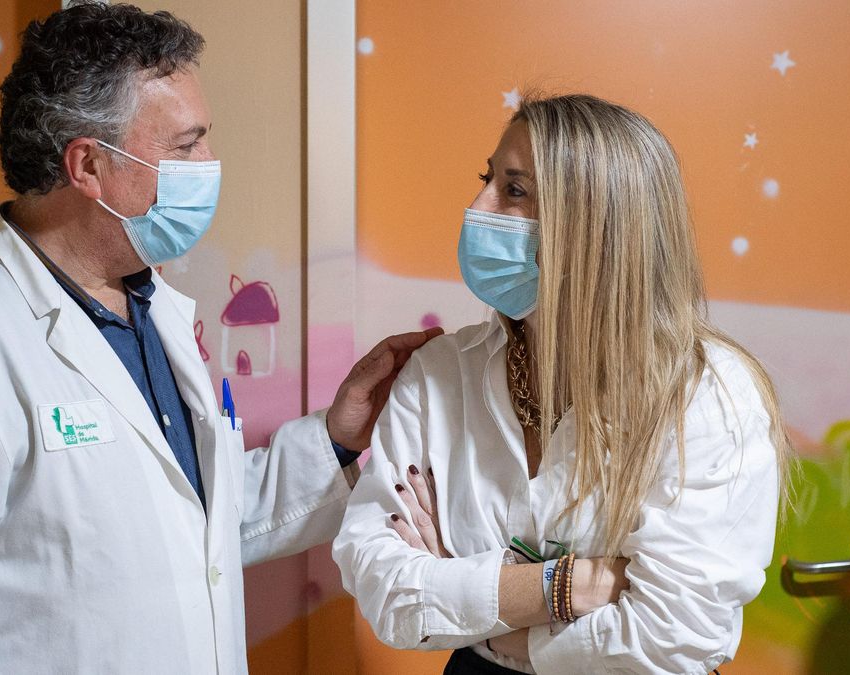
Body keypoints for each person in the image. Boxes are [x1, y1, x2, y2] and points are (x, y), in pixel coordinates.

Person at [0, 3, 440, 673]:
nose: (210, 163)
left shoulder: (153, 305)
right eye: (186, 145)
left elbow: (191, 522)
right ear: (87, 165)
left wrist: (336, 437)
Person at [333, 94, 792, 674]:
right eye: (488, 179)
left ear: (600, 226)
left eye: (515, 190)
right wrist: (567, 586)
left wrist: (482, 610)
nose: (478, 207)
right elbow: (388, 594)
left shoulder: (706, 394)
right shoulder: (437, 374)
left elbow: (677, 634)